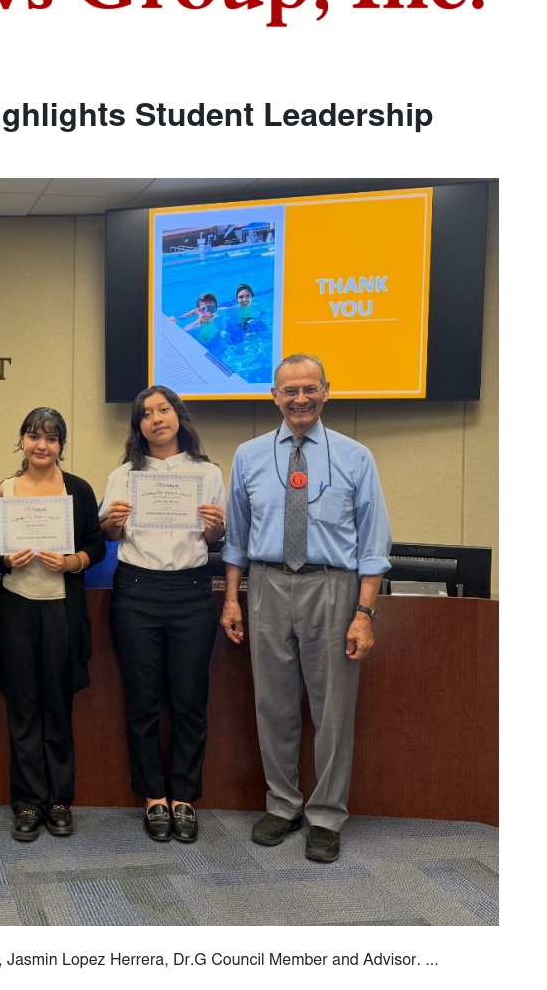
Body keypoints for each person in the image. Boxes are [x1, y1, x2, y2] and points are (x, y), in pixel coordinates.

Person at [221, 354, 392, 863]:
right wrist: (231, 599)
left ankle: (326, 815)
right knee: (273, 704)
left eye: (310, 389)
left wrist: (364, 614)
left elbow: (374, 544)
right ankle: (283, 804)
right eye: (290, 390)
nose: (300, 399)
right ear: (274, 396)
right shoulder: (249, 456)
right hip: (267, 584)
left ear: (326, 391)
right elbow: (236, 539)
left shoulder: (355, 457)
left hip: (332, 588)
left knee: (333, 709)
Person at [99, 386, 225, 843]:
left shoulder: (208, 473)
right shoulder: (124, 475)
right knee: (143, 700)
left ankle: (185, 797)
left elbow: (215, 538)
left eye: (163, 410)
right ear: (138, 426)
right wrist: (113, 521)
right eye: (146, 414)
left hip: (191, 592)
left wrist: (215, 528)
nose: (156, 419)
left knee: (190, 700)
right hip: (137, 591)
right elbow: (108, 534)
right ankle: (154, 796)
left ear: (178, 416)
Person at [0, 408, 105, 841]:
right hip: (17, 608)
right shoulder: (5, 489)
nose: (42, 445)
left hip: (61, 610)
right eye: (34, 436)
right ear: (22, 440)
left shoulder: (78, 489)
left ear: (61, 446)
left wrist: (74, 562)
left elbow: (96, 544)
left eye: (51, 439)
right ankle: (28, 802)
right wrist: (4, 557)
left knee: (57, 705)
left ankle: (59, 801)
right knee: (23, 707)